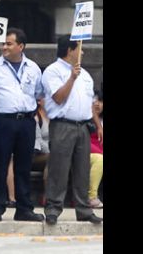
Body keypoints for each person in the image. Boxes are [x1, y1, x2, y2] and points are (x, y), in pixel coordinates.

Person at [0, 28, 45, 222]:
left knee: (24, 165)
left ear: (21, 46)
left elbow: (38, 93)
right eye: (4, 43)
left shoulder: (33, 67)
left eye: (9, 44)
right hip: (2, 120)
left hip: (26, 120)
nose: (4, 47)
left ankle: (24, 208)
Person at [41, 36, 102, 225]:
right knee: (59, 168)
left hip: (82, 126)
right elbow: (58, 98)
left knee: (82, 169)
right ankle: (53, 208)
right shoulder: (53, 71)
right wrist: (71, 78)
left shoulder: (85, 74)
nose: (82, 52)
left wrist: (98, 125)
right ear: (70, 50)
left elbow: (90, 102)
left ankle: (83, 209)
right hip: (62, 124)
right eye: (79, 48)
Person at [88, 87, 103, 208]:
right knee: (99, 159)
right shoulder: (83, 120)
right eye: (94, 101)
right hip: (87, 154)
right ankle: (91, 196)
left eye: (100, 101)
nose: (97, 104)